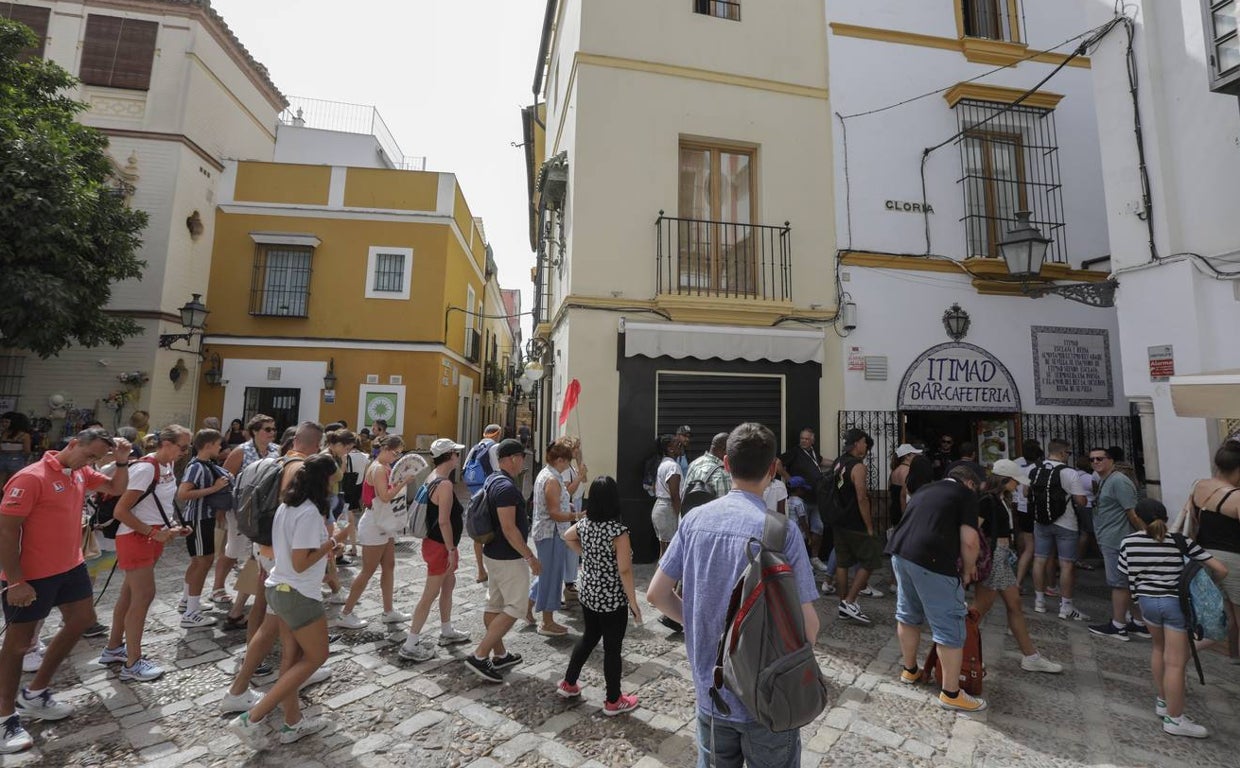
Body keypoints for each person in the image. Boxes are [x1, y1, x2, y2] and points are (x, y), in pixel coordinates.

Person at [647, 422, 819, 766]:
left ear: (726, 464)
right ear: (773, 470)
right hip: (768, 697)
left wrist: (700, 624)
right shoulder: (782, 532)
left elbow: (657, 594)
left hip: (712, 689)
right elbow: (809, 626)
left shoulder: (694, 521)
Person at [0, 428, 134, 754]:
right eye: (90, 456)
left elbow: (116, 487)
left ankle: (35, 692)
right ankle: (4, 717)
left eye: (97, 459)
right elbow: (5, 529)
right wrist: (16, 581)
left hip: (70, 567)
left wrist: (121, 461)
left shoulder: (79, 472)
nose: (92, 463)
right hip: (32, 575)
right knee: (18, 646)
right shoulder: (31, 478)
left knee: (82, 620)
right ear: (73, 444)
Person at [229, 454, 349, 746]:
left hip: (279, 587)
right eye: (334, 481)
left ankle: (291, 722)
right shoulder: (308, 513)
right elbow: (301, 562)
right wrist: (333, 543)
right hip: (298, 593)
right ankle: (252, 717)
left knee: (291, 658)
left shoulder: (287, 505)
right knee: (316, 657)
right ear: (324, 481)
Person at [220, 422, 333, 716]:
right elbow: (299, 521)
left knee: (272, 622)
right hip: (283, 558)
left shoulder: (277, 461)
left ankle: (258, 689)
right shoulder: (301, 470)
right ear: (317, 445)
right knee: (278, 627)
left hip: (267, 550)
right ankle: (259, 689)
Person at [1120, 499, 1227, 738]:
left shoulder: (1128, 542)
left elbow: (1126, 575)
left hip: (1147, 603)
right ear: (1164, 518)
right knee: (1176, 663)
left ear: (1137, 518)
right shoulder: (1180, 541)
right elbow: (1221, 569)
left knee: (1159, 649)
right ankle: (1174, 718)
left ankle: (1162, 700)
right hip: (1174, 604)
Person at [885, 466, 987, 712]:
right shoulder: (965, 496)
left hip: (900, 553)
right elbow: (970, 540)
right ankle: (951, 693)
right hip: (932, 559)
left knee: (908, 614)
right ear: (971, 483)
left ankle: (910, 670)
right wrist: (967, 570)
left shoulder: (926, 488)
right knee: (949, 623)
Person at [101, 425, 193, 683]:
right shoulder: (145, 468)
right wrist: (153, 534)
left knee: (129, 595)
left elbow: (157, 503)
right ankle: (133, 661)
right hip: (136, 537)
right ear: (165, 443)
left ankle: (114, 648)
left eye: (188, 448)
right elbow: (121, 511)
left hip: (151, 536)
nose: (186, 452)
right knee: (143, 597)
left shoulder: (167, 466)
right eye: (183, 447)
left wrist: (171, 527)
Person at [558, 476, 641, 714]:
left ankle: (569, 682)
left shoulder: (585, 524)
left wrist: (588, 555)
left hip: (590, 592)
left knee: (588, 637)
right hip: (612, 598)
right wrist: (634, 603)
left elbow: (567, 536)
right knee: (612, 648)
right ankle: (613, 700)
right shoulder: (618, 531)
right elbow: (624, 569)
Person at [972, 461, 1064, 674]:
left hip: (1002, 556)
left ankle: (1030, 656)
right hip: (993, 557)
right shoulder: (987, 501)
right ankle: (962, 653)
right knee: (978, 610)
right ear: (1005, 480)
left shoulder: (1001, 499)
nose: (1017, 485)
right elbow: (973, 529)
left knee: (1015, 605)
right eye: (1015, 481)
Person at [465, 439, 536, 683]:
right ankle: (480, 654)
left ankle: (501, 654)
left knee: (494, 605)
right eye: (521, 457)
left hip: (492, 554)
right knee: (516, 607)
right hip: (508, 557)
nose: (523, 462)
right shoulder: (506, 488)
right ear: (512, 458)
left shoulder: (493, 479)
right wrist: (530, 556)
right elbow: (509, 528)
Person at [399, 439, 471, 661]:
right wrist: (451, 549)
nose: (458, 457)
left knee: (448, 585)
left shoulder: (432, 477)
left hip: (437, 544)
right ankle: (410, 644)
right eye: (456, 454)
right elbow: (444, 521)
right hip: (441, 545)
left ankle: (447, 630)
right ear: (450, 455)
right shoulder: (445, 485)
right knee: (429, 594)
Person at [333, 435, 412, 629]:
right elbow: (384, 497)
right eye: (395, 452)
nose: (396, 456)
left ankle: (388, 610)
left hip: (384, 521)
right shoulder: (377, 468)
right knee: (368, 570)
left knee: (389, 566)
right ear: (385, 449)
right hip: (375, 523)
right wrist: (404, 482)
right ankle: (346, 613)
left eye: (399, 453)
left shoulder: (384, 467)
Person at [216, 414, 280, 615]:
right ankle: (217, 586)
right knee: (233, 550)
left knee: (256, 554)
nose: (271, 433)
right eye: (267, 429)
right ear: (254, 431)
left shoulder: (275, 450)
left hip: (263, 511)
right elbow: (225, 479)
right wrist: (221, 511)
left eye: (273, 429)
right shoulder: (241, 452)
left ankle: (245, 596)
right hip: (241, 509)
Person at [1185, 440, 1240, 661]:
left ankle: (1234, 655)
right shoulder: (1236, 497)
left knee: (1227, 615)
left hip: (1205, 557)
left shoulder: (1199, 486)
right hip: (1234, 562)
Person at [1088, 447, 1148, 641]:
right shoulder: (1105, 480)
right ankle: (1139, 623)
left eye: (1100, 458)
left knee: (1119, 584)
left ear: (1111, 460)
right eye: (1092, 460)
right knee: (1127, 583)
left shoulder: (1119, 481)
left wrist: (1147, 535)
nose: (1096, 462)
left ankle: (1118, 625)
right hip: (1110, 537)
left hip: (1118, 539)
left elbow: (1132, 512)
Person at [175, 428, 232, 630]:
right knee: (203, 562)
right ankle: (191, 613)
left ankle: (187, 601)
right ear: (208, 445)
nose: (220, 448)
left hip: (202, 518)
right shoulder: (197, 467)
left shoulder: (206, 465)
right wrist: (215, 489)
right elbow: (183, 493)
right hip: (198, 519)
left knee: (197, 562)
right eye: (218, 444)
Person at [1030, 438, 1089, 621]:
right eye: (1068, 453)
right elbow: (1080, 501)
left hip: (1041, 522)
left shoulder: (1035, 470)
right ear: (1063, 453)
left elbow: (1026, 493)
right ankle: (1066, 606)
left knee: (1039, 560)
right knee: (1066, 564)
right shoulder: (1070, 473)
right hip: (1066, 523)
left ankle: (1039, 602)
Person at [828, 429, 881, 625]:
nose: (866, 445)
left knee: (843, 562)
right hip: (854, 522)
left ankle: (843, 605)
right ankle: (850, 601)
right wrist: (869, 526)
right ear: (857, 443)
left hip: (839, 520)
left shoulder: (838, 462)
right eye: (864, 442)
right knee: (871, 558)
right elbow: (861, 496)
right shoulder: (858, 467)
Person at [527, 441, 577, 636]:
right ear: (560, 460)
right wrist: (577, 516)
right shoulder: (552, 479)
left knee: (544, 574)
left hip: (547, 532)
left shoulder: (546, 474)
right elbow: (554, 513)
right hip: (551, 533)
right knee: (550, 577)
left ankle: (527, 607)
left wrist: (568, 509)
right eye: (567, 461)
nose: (567, 465)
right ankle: (547, 622)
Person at [463, 424, 503, 584]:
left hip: (476, 495)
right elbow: (500, 469)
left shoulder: (475, 447)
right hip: (491, 493)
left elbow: (465, 469)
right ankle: (496, 570)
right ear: (498, 434)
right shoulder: (496, 447)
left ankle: (481, 570)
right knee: (497, 530)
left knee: (479, 532)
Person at [1013, 439, 1044, 591]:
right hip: (1034, 507)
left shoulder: (1017, 462)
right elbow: (1027, 490)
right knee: (1036, 546)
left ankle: (1021, 562)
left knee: (1024, 537)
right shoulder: (1037, 467)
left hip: (1020, 503)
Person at [651, 435, 683, 555]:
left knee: (664, 554)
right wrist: (681, 518)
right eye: (677, 443)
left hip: (660, 508)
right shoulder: (673, 467)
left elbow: (655, 488)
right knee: (670, 555)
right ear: (670, 449)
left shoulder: (663, 464)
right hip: (668, 512)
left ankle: (657, 574)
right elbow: (675, 496)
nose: (681, 445)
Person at [683, 432, 732, 504]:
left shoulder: (694, 464)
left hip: (690, 514)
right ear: (724, 449)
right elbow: (724, 508)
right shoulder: (721, 474)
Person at [889, 444, 922, 532]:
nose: (916, 457)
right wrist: (906, 516)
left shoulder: (894, 471)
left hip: (895, 510)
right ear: (907, 456)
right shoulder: (907, 471)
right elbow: (904, 495)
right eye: (914, 454)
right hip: (903, 511)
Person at [0, 412, 32, 486]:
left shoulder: (3, 434)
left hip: (2, 458)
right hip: (17, 459)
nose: (3, 424)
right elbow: (27, 451)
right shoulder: (24, 435)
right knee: (12, 483)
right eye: (2, 421)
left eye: (6, 422)